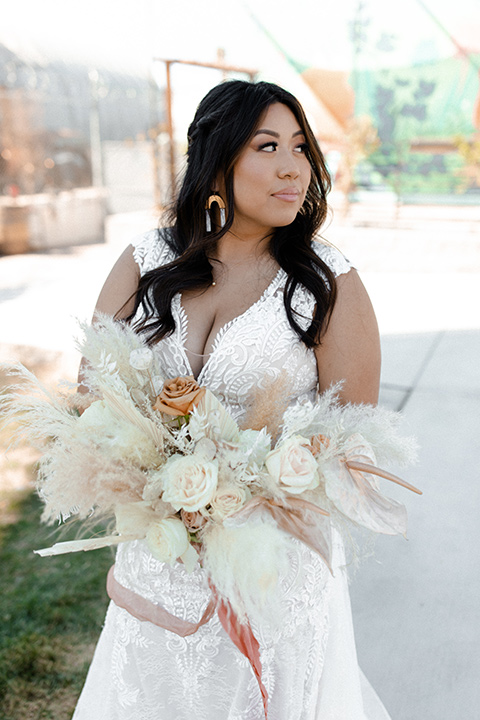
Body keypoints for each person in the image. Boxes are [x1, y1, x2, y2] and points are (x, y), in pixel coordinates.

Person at [72, 80, 388, 719]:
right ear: (218, 161)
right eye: (267, 146)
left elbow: (353, 438)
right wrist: (158, 477)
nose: (292, 167)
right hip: (159, 559)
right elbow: (93, 392)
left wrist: (237, 484)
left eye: (300, 147)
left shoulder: (326, 282)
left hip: (270, 572)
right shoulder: (149, 258)